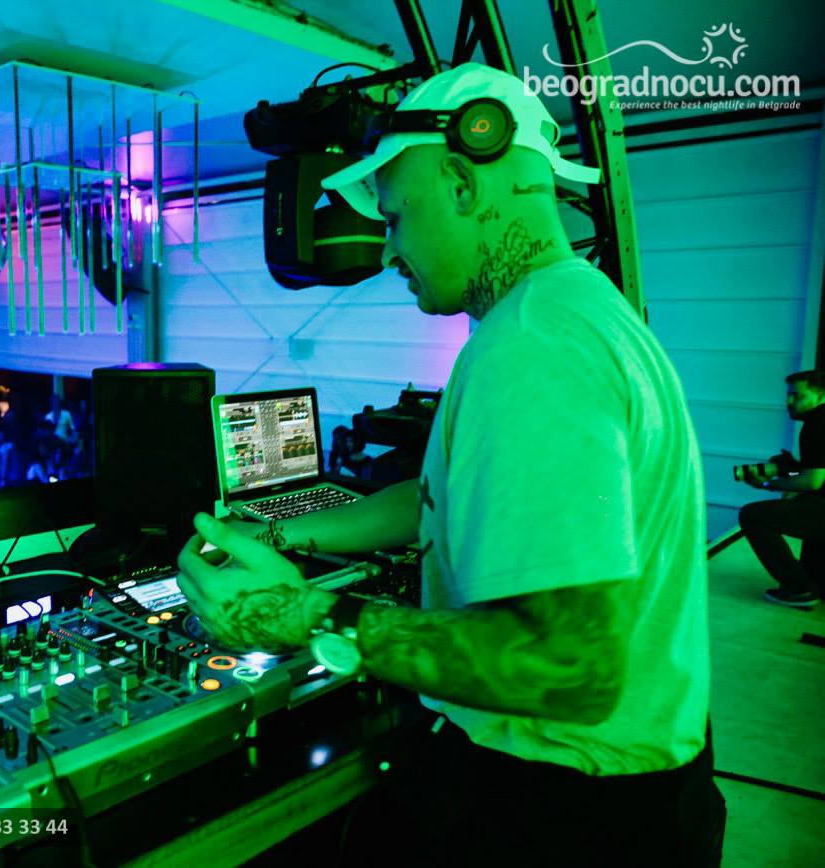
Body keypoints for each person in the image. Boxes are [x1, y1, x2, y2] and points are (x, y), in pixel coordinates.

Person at [175, 64, 723, 867]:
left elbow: (570, 667)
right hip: (633, 793)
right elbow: (430, 496)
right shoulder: (575, 310)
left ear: (463, 184)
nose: (389, 249)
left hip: (570, 815)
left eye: (396, 216)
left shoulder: (534, 347)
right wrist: (285, 534)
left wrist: (305, 617)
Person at [736, 369, 825, 608]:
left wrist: (768, 484)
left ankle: (799, 590)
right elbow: (814, 473)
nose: (789, 401)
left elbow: (812, 482)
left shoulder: (818, 423)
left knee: (753, 515)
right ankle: (811, 583)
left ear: (821, 396)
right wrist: (791, 469)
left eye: (798, 395)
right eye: (788, 395)